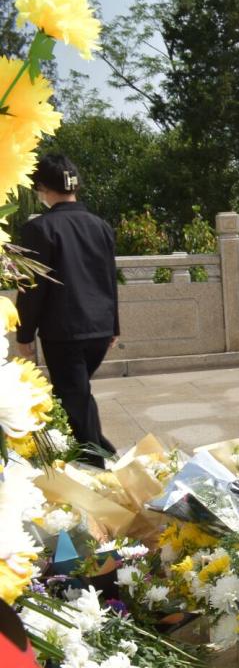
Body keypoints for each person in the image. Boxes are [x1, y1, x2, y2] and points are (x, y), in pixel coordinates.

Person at [14, 154, 119, 460]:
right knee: (76, 395)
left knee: (74, 398)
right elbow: (109, 278)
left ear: (42, 188)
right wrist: (114, 325)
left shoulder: (39, 229)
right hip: (99, 329)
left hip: (65, 332)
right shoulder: (100, 225)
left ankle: (96, 464)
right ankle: (100, 450)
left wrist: (24, 335)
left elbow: (32, 287)